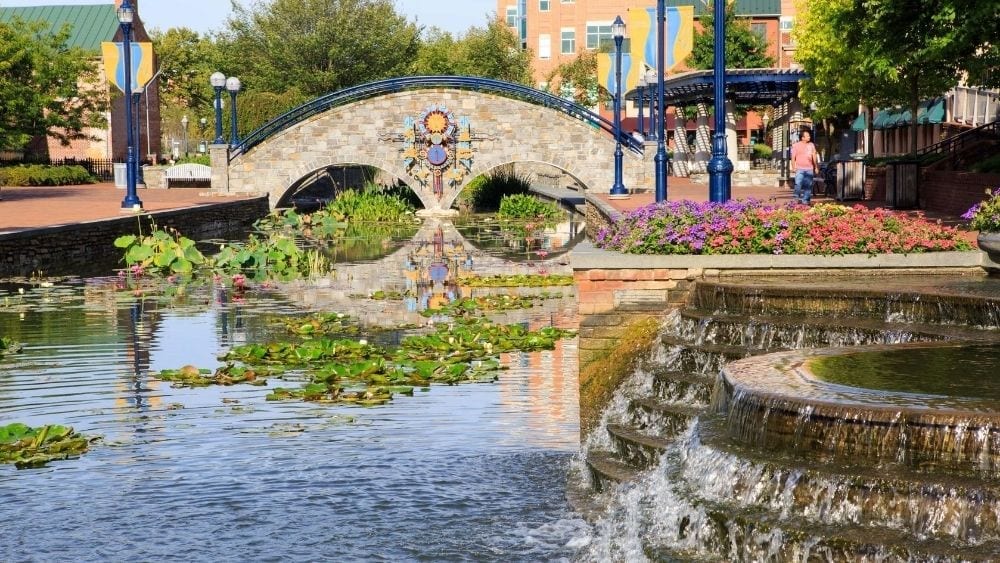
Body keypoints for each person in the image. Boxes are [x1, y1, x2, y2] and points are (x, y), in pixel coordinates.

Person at [790, 129, 820, 204]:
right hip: (799, 168)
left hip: (809, 169)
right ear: (802, 138)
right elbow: (793, 157)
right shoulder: (796, 146)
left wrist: (816, 167)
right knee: (798, 184)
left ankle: (806, 200)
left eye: (809, 136)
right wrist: (793, 167)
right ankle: (796, 198)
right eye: (807, 136)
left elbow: (814, 156)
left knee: (808, 186)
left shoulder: (811, 145)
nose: (809, 137)